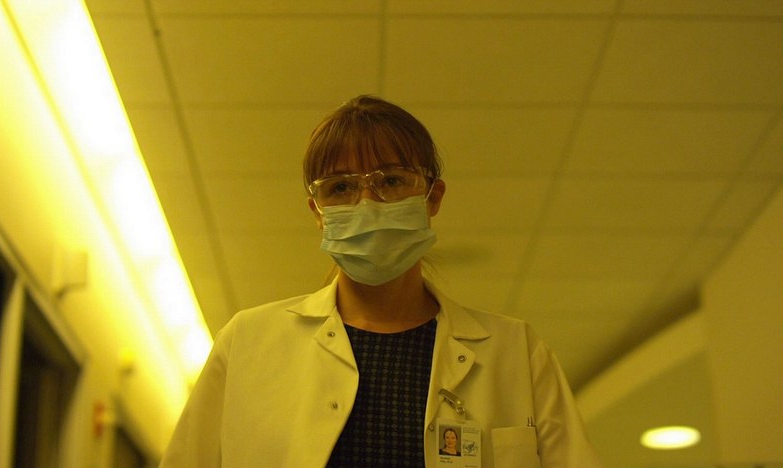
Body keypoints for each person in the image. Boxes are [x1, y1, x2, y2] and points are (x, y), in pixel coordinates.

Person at [159, 95, 601, 467]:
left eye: (390, 181)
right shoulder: (247, 342)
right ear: (318, 212)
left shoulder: (517, 352)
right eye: (340, 188)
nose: (367, 202)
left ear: (432, 198)